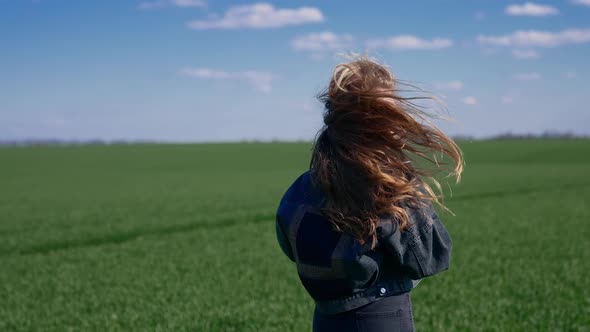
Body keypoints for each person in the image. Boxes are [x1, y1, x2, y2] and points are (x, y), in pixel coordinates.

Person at [275, 54, 464, 332]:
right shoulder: (387, 188)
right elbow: (430, 257)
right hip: (382, 319)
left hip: (326, 320)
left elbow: (290, 247)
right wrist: (404, 179)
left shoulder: (300, 189)